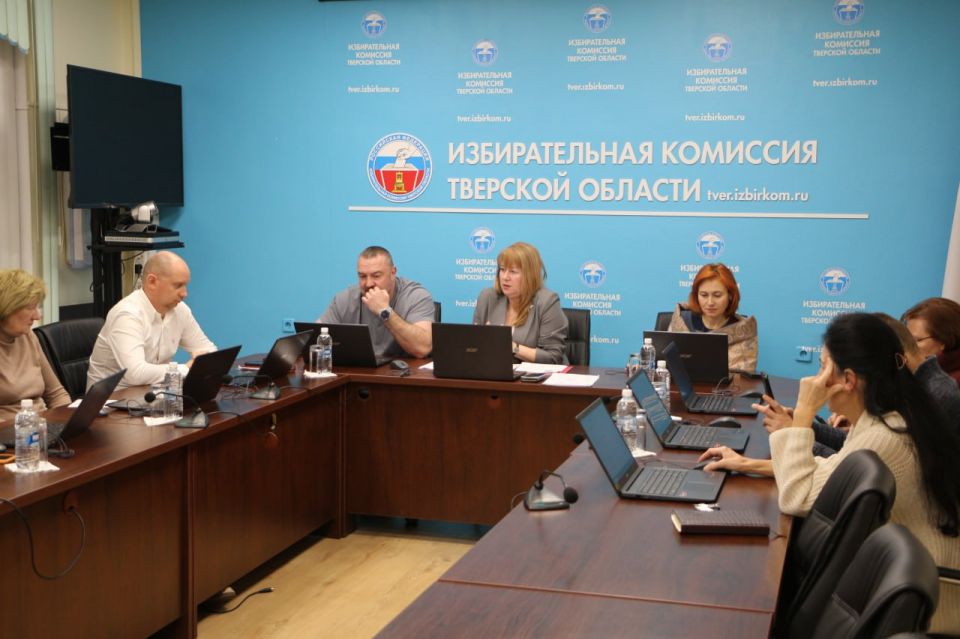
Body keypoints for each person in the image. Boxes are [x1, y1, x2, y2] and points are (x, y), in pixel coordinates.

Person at [700, 313, 960, 632]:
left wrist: (804, 413)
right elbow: (829, 471)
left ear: (848, 380)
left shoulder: (885, 437)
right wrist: (747, 464)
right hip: (892, 588)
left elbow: (798, 496)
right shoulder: (884, 419)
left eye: (822, 367)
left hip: (924, 607)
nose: (814, 379)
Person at [759, 312, 960, 456]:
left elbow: (847, 466)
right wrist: (804, 425)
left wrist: (797, 429)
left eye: (824, 367)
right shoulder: (902, 398)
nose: (818, 378)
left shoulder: (929, 399)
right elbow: (850, 447)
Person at [87, 251, 216, 390]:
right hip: (113, 398)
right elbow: (135, 373)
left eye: (185, 285)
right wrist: (186, 368)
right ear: (152, 282)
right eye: (178, 285)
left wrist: (199, 363)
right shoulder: (127, 314)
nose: (185, 293)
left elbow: (208, 350)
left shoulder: (180, 310)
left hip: (153, 393)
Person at [318, 246, 434, 359]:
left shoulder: (416, 296)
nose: (368, 284)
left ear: (393, 272)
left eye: (376, 276)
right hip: (358, 370)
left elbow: (423, 348)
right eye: (362, 276)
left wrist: (384, 311)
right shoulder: (345, 299)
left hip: (403, 371)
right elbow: (316, 338)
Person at [472, 241, 568, 364]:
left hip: (535, 375)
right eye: (502, 269)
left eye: (513, 271)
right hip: (494, 371)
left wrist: (510, 346)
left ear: (529, 275)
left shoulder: (547, 301)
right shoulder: (488, 297)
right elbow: (474, 346)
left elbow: (553, 357)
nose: (505, 277)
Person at [0, 269, 71, 420]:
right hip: (11, 430)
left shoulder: (28, 337)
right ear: (6, 308)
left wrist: (66, 421)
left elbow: (56, 394)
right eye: (30, 308)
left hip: (40, 425)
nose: (37, 316)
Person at [667, 263, 757, 371]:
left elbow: (742, 377)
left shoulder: (744, 330)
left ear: (730, 295)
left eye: (717, 295)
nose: (710, 302)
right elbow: (666, 365)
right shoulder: (682, 321)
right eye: (704, 295)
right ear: (696, 295)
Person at [902, 297, 960, 384]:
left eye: (916, 340)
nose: (906, 346)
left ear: (944, 341)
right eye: (907, 338)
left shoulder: (950, 385)